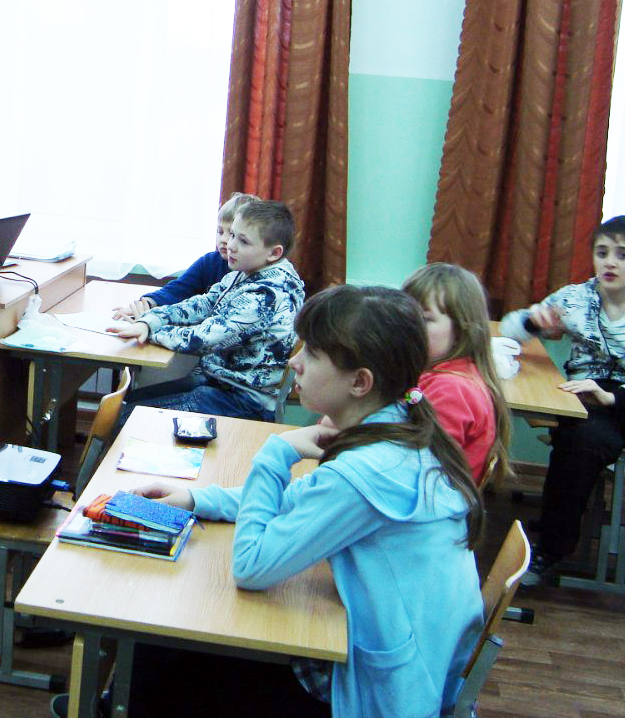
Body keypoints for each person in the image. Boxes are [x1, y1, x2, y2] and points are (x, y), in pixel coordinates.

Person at [122, 285, 485, 718]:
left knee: (163, 644)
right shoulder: (398, 429)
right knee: (170, 647)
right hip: (401, 665)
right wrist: (196, 498)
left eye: (311, 353)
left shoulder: (367, 471)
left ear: (360, 382)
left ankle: (115, 704)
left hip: (374, 693)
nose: (294, 361)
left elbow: (251, 568)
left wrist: (276, 452)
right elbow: (298, 500)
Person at [500, 215, 625, 600]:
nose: (610, 263)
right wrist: (533, 322)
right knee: (579, 442)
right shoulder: (576, 299)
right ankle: (551, 551)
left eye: (623, 255)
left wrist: (617, 398)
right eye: (602, 253)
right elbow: (509, 328)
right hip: (589, 397)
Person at [108, 199, 304, 425]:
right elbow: (204, 303)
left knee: (128, 418)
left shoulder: (266, 295)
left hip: (244, 402)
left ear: (274, 253)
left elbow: (203, 339)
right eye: (232, 235)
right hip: (220, 384)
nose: (231, 245)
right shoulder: (244, 273)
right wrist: (150, 320)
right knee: (129, 402)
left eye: (243, 241)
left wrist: (152, 332)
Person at [403, 262, 513, 486]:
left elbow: (416, 469)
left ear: (462, 330)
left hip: (427, 501)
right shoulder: (441, 374)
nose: (407, 325)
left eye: (425, 319)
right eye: (404, 314)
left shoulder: (451, 390)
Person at [111, 192, 257, 319]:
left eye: (231, 233)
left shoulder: (257, 275)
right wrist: (147, 304)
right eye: (219, 231)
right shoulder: (209, 262)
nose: (223, 239)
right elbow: (177, 290)